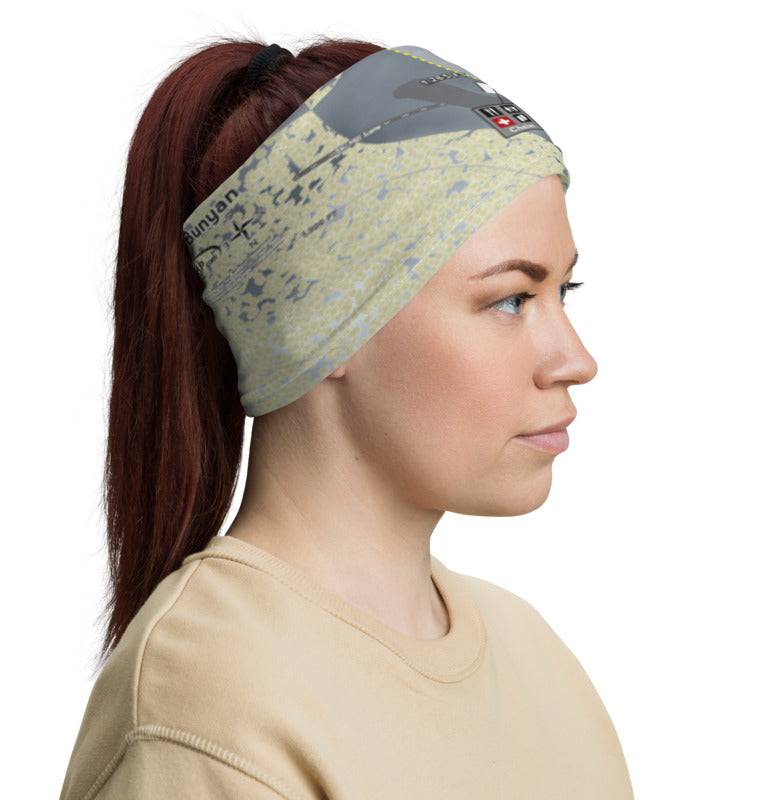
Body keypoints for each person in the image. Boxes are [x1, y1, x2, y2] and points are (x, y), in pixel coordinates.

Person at [58, 36, 634, 799]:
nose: (575, 359)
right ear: (320, 322)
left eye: (565, 292)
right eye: (510, 300)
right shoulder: (211, 705)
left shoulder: (537, 663)